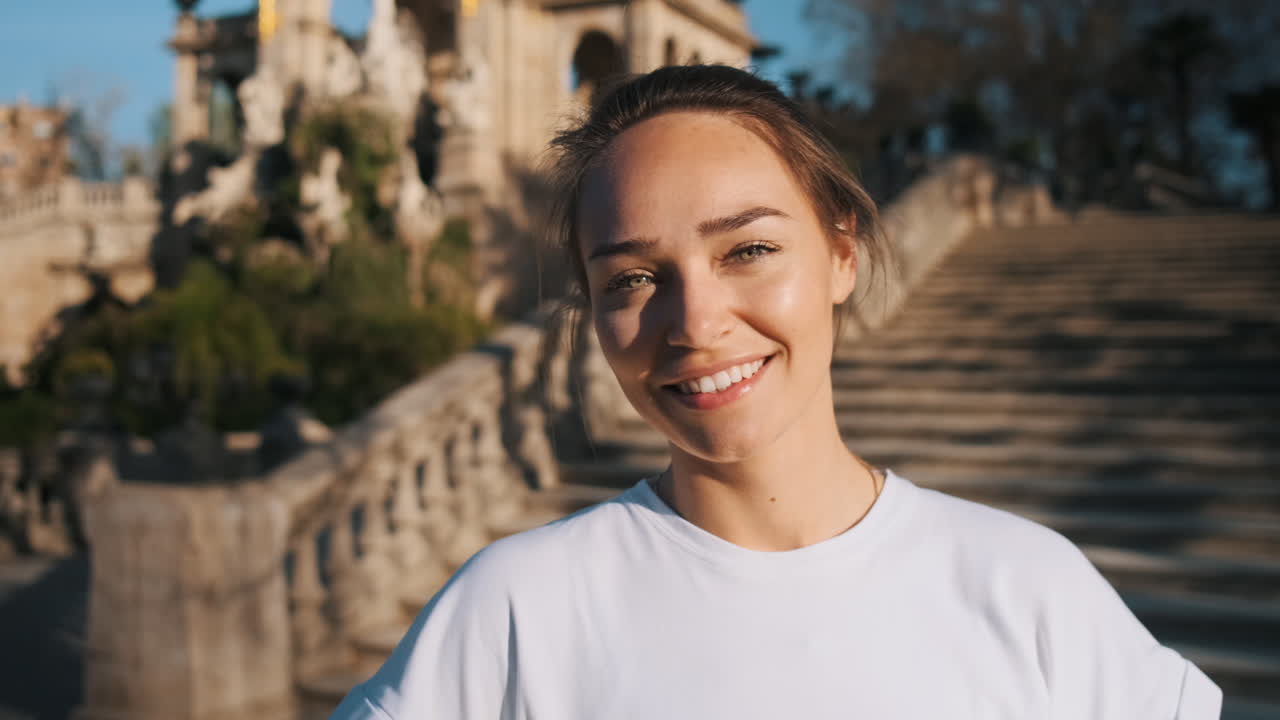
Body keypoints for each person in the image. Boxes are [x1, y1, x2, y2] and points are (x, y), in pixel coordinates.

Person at [329, 65, 1222, 719]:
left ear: (843, 253)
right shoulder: (515, 611)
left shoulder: (1029, 589)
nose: (695, 321)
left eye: (747, 250)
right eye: (633, 279)